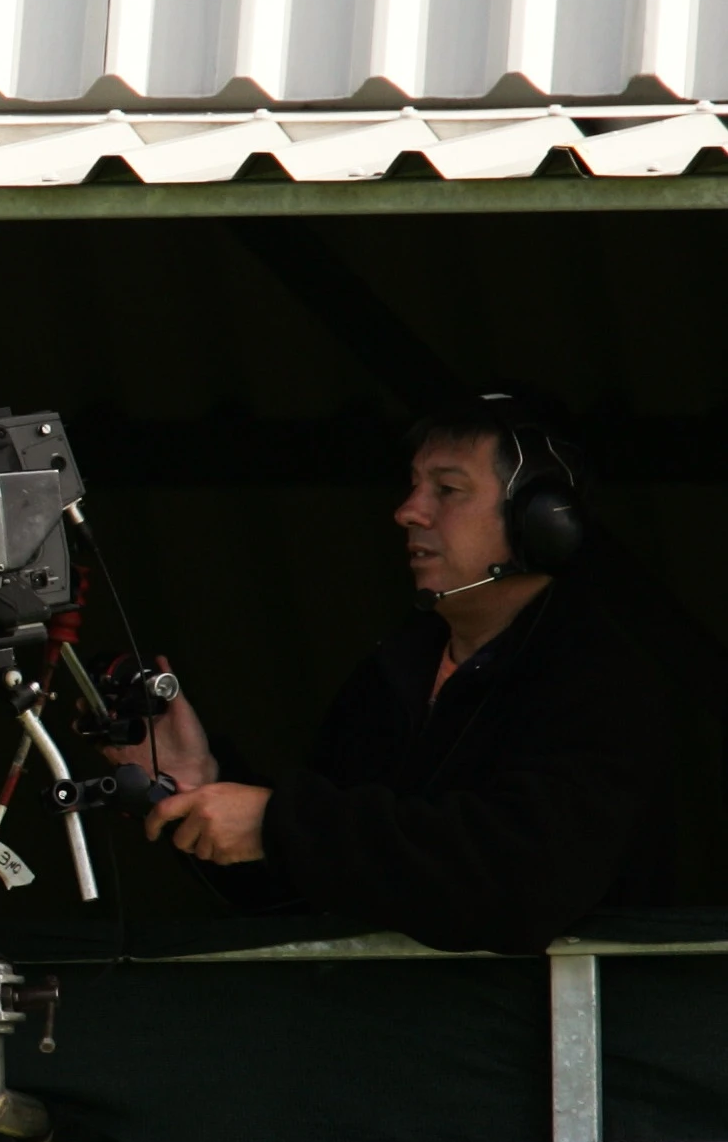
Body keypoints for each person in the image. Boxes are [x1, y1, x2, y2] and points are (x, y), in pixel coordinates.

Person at [113, 397, 674, 954]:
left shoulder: (597, 676)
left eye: (447, 490)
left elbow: (526, 877)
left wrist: (281, 826)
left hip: (546, 1038)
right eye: (413, 486)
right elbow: (298, 898)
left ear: (541, 522)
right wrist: (194, 783)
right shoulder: (393, 672)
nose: (408, 511)